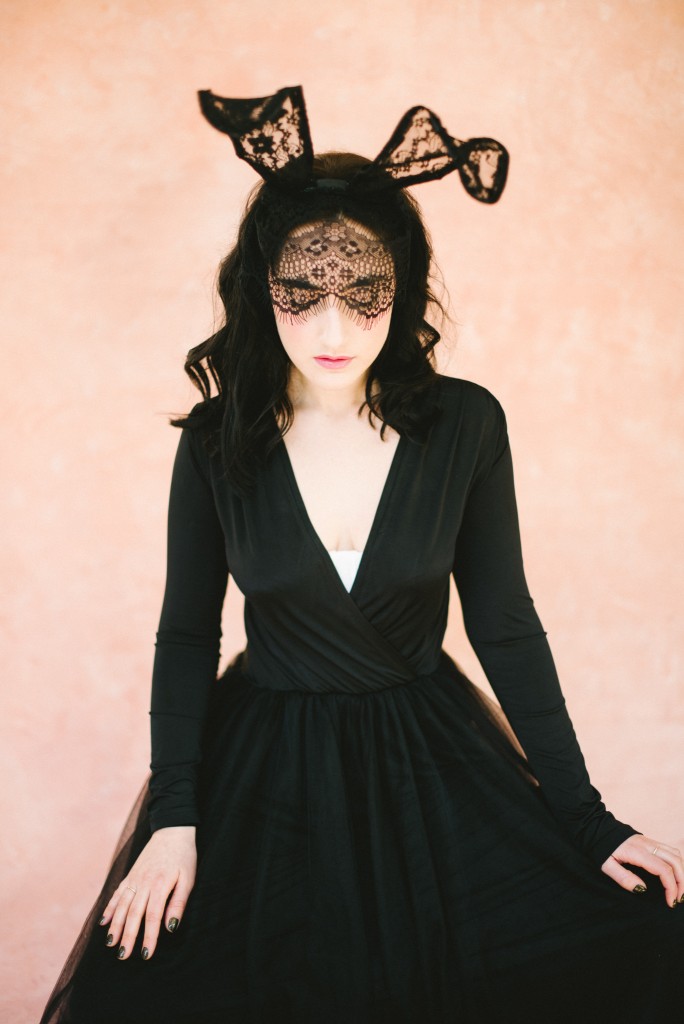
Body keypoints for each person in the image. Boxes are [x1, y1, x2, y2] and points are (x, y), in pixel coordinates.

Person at [39, 86, 683, 1024]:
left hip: (433, 762)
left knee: (626, 941)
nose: (333, 331)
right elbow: (185, 635)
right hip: (262, 775)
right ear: (263, 287)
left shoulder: (467, 425)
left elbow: (505, 626)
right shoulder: (218, 440)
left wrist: (587, 819)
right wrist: (174, 818)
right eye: (303, 296)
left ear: (404, 286)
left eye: (363, 293)